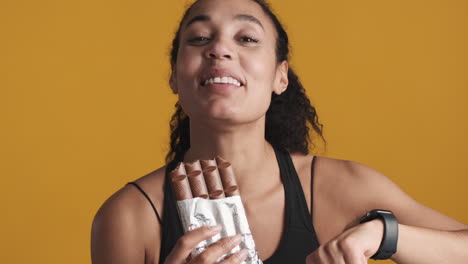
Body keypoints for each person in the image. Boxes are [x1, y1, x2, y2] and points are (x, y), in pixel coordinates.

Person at [91, 0, 468, 263]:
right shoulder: (131, 217)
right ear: (175, 75)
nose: (219, 48)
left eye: (247, 38)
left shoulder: (338, 188)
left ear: (280, 76)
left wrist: (383, 234)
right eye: (200, 38)